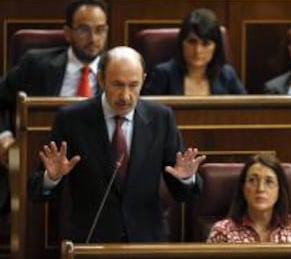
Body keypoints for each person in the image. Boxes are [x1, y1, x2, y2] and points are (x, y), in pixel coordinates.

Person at [28, 46, 206, 243]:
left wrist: (186, 179)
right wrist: (51, 178)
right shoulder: (71, 119)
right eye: (118, 85)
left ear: (144, 80)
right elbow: (36, 191)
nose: (126, 96)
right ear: (101, 79)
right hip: (91, 240)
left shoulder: (161, 118)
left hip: (146, 241)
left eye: (133, 85)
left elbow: (184, 194)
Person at [0, 0, 109, 212]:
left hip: (97, 169)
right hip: (34, 162)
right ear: (67, 33)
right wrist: (4, 136)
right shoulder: (36, 64)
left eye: (100, 30)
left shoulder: (117, 72)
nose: (93, 38)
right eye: (84, 29)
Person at [207, 153, 291, 243]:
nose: (260, 189)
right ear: (243, 188)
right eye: (252, 180)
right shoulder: (223, 231)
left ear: (280, 189)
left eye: (269, 182)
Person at [141, 8, 247, 95]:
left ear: (216, 47)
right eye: (192, 42)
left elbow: (246, 111)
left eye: (205, 44)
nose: (198, 50)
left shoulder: (226, 75)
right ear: (182, 43)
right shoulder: (163, 75)